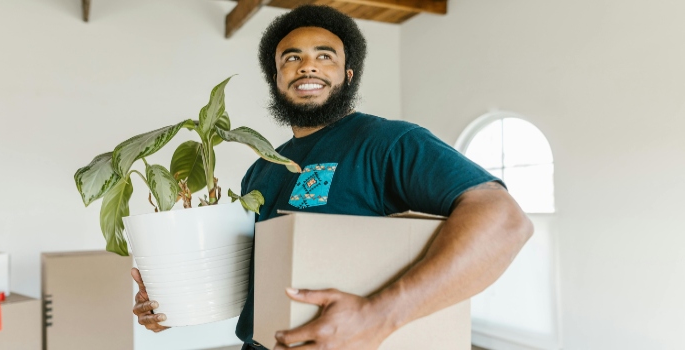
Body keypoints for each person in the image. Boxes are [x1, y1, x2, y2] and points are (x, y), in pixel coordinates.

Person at [132, 5, 533, 350]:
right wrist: (174, 299)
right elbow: (260, 280)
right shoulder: (262, 168)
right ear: (277, 79)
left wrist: (380, 316)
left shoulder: (387, 141)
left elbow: (505, 220)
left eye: (325, 56)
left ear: (349, 75)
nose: (307, 65)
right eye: (291, 57)